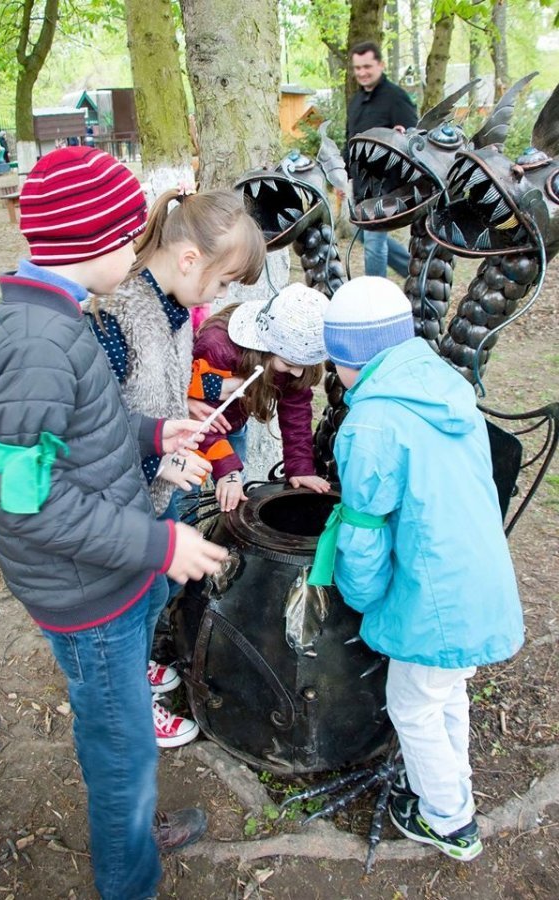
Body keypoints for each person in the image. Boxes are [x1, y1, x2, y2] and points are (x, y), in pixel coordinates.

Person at [0, 145, 229, 900]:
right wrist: (161, 541)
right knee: (122, 754)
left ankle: (134, 839)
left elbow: (80, 425)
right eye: (130, 239)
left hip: (107, 571)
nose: (137, 252)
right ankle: (130, 880)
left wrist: (153, 436)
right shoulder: (35, 344)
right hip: (87, 596)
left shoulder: (57, 320)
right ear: (97, 246)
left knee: (125, 742)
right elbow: (29, 499)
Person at [309, 277, 523, 861]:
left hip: (435, 597)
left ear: (351, 357)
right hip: (475, 574)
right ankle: (451, 793)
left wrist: (359, 595)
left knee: (413, 704)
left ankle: (449, 823)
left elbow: (364, 533)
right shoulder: (443, 389)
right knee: (443, 690)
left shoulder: (372, 424)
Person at [87, 187, 265, 746]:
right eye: (223, 282)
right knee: (130, 607)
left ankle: (137, 667)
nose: (220, 295)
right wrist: (160, 459)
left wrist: (182, 411)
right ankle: (132, 703)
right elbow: (93, 431)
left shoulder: (179, 308)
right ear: (190, 259)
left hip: (151, 494)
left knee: (154, 595)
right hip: (118, 507)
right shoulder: (116, 318)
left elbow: (157, 389)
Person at [190, 283, 331, 512]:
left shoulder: (295, 364)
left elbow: (296, 412)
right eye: (289, 364)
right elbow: (200, 414)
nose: (297, 373)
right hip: (193, 426)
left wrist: (301, 467)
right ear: (264, 348)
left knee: (234, 489)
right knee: (187, 487)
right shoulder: (218, 346)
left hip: (232, 423)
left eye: (304, 366)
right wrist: (227, 469)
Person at [344, 41, 417, 278]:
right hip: (361, 186)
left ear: (381, 65)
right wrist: (342, 176)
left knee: (374, 243)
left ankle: (375, 300)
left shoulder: (396, 97)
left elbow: (415, 137)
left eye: (367, 66)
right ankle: (416, 273)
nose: (362, 73)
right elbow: (350, 141)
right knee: (368, 237)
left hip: (386, 188)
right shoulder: (356, 102)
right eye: (357, 68)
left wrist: (403, 136)